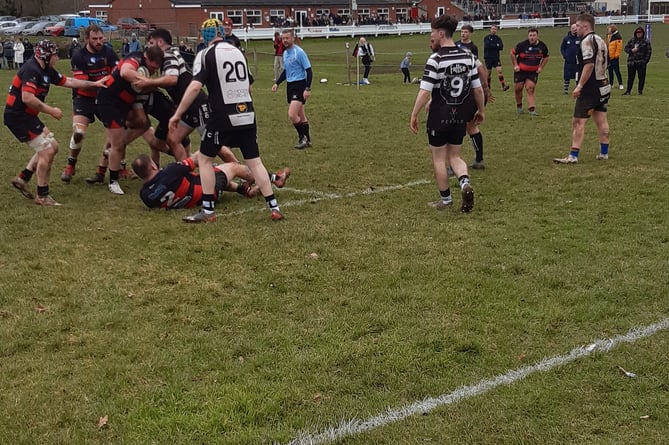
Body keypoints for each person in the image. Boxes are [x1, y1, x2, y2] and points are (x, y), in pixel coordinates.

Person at [169, 18, 285, 223]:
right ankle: (274, 207)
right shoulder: (237, 51)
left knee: (205, 159)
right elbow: (249, 86)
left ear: (204, 36)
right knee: (255, 161)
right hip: (247, 112)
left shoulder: (205, 55)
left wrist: (178, 113)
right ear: (222, 31)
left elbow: (195, 87)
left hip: (222, 115)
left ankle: (208, 211)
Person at [4, 40, 107, 206]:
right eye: (55, 55)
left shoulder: (46, 70)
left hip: (27, 116)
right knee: (47, 151)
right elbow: (27, 98)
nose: (57, 58)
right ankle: (42, 196)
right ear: (45, 56)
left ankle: (23, 178)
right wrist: (51, 110)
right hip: (18, 117)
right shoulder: (32, 70)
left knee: (53, 146)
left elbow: (69, 81)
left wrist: (94, 84)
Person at [409, 15, 484, 213]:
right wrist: (481, 110)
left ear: (441, 33)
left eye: (432, 31)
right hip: (460, 114)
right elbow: (477, 89)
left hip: (440, 115)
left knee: (439, 158)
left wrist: (414, 114)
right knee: (456, 156)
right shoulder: (468, 56)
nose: (431, 35)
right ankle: (464, 182)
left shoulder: (436, 59)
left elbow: (425, 91)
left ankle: (446, 199)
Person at [95, 45, 164, 195]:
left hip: (125, 103)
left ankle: (112, 150)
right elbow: (126, 72)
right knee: (118, 144)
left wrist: (151, 83)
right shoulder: (135, 58)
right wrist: (148, 81)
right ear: (146, 58)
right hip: (109, 101)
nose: (153, 71)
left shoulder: (146, 65)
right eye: (153, 67)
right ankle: (113, 181)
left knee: (144, 123)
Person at [60, 24, 120, 183]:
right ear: (87, 39)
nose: (99, 41)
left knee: (115, 133)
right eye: (95, 39)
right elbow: (81, 83)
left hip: (105, 97)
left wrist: (109, 81)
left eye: (101, 38)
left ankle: (102, 170)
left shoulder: (109, 52)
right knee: (79, 132)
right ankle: (70, 165)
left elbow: (117, 72)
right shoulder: (79, 56)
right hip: (84, 97)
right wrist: (100, 82)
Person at [132, 150, 290, 209]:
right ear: (153, 165)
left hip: (193, 199)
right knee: (232, 166)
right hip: (208, 194)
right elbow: (195, 160)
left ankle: (245, 190)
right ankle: (275, 178)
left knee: (213, 173)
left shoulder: (145, 195)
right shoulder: (169, 172)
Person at [553, 13, 610, 165]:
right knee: (601, 119)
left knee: (578, 121)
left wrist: (580, 85)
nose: (575, 29)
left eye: (577, 26)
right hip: (604, 84)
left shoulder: (586, 41)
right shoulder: (601, 40)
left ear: (585, 26)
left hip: (590, 88)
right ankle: (604, 153)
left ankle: (573, 155)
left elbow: (589, 64)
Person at [272, 28, 313, 150]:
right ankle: (308, 140)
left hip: (299, 85)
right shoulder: (285, 53)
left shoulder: (299, 52)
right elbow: (286, 71)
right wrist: (277, 83)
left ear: (293, 38)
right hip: (290, 86)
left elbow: (309, 71)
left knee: (292, 115)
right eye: (283, 38)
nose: (284, 40)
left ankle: (302, 137)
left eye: (287, 38)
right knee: (301, 115)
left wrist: (307, 88)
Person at [510, 27, 549, 116]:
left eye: (534, 35)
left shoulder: (542, 46)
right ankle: (519, 107)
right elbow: (512, 53)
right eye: (530, 35)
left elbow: (546, 57)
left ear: (537, 36)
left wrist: (541, 67)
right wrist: (515, 65)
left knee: (530, 88)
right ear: (528, 36)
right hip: (520, 71)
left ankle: (532, 110)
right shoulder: (522, 45)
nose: (532, 37)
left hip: (532, 71)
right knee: (518, 89)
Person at [622, 26, 652, 96]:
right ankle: (628, 91)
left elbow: (649, 52)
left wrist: (645, 61)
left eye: (640, 32)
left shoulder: (646, 42)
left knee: (641, 78)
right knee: (630, 78)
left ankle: (640, 91)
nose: (638, 34)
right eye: (637, 32)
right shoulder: (632, 40)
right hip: (631, 62)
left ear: (642, 33)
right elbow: (626, 48)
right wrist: (631, 50)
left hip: (641, 63)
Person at [483, 25, 509, 91]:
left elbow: (501, 47)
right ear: (490, 29)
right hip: (488, 57)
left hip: (496, 57)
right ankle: (488, 87)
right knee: (488, 73)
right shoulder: (487, 38)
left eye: (495, 29)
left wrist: (495, 45)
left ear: (496, 30)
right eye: (492, 29)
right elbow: (488, 46)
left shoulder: (498, 38)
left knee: (499, 71)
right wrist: (496, 45)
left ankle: (504, 86)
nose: (494, 30)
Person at [560, 24, 580, 95]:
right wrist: (565, 56)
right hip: (568, 61)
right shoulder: (566, 38)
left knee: (578, 75)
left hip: (577, 61)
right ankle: (565, 90)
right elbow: (562, 48)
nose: (575, 29)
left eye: (576, 28)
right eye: (573, 28)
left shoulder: (580, 38)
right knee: (567, 76)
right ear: (571, 29)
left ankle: (577, 90)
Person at [606, 25, 624, 90]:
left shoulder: (618, 37)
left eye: (609, 29)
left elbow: (618, 48)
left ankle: (620, 84)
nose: (608, 30)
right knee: (610, 71)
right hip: (608, 56)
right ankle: (611, 83)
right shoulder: (608, 36)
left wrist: (616, 56)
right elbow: (607, 45)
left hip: (614, 57)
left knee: (617, 71)